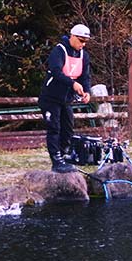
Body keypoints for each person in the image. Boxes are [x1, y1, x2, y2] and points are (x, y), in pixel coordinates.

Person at [38, 24, 92, 173]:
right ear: (72, 37)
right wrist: (73, 83)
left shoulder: (83, 55)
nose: (83, 44)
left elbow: (85, 76)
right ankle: (56, 161)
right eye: (81, 40)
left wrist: (86, 91)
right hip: (51, 97)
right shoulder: (59, 50)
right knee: (54, 128)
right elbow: (56, 71)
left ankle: (63, 156)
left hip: (66, 99)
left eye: (85, 41)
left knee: (68, 129)